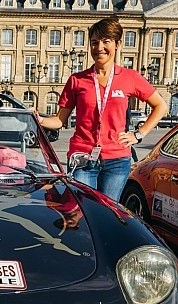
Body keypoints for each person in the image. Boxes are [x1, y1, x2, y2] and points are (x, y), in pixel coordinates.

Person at [39, 17, 167, 200]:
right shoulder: (77, 80)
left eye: (106, 41)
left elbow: (161, 106)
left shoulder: (130, 77)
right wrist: (40, 119)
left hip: (117, 159)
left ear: (117, 44)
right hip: (82, 157)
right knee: (85, 210)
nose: (99, 48)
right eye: (94, 42)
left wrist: (138, 135)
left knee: (109, 212)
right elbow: (60, 120)